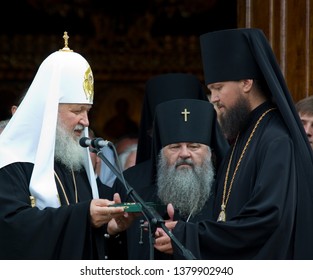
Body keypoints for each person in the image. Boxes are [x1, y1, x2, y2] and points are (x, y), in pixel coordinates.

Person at [154, 28, 313, 260]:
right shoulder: (244, 134)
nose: (214, 99)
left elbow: (266, 220)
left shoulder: (276, 139)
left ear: (246, 83)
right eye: (210, 91)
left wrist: (190, 235)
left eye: (218, 88)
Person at [0, 32, 126, 260]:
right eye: (77, 111)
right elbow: (11, 228)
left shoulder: (73, 160)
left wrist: (109, 228)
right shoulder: (8, 160)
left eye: (88, 111)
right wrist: (82, 216)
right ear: (47, 111)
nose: (86, 121)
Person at [107, 74, 229, 260]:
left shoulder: (228, 186)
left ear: (210, 151)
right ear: (161, 151)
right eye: (174, 147)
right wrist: (112, 232)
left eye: (194, 146)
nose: (185, 154)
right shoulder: (129, 185)